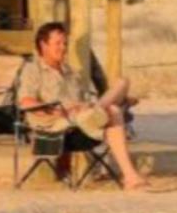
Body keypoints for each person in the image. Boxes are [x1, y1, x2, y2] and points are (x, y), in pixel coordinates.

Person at [16, 21, 147, 190]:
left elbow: (82, 99)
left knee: (116, 102)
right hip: (60, 126)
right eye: (58, 43)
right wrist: (59, 110)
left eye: (65, 43)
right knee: (117, 97)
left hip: (82, 120)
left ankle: (130, 177)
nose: (63, 48)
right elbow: (26, 102)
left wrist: (84, 106)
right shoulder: (32, 69)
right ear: (43, 45)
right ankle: (130, 176)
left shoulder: (69, 71)